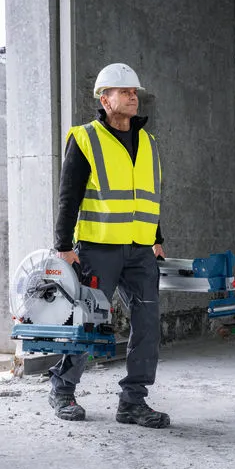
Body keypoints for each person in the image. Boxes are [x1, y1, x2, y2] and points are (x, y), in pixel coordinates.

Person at [48, 63, 170, 429]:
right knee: (88, 322)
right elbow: (68, 195)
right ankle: (63, 389)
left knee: (147, 325)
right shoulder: (85, 138)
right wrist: (63, 244)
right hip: (98, 248)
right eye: (124, 91)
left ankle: (133, 402)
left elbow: (146, 195)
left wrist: (157, 238)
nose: (134, 96)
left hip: (139, 251)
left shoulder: (147, 141)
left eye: (135, 91)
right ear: (105, 99)